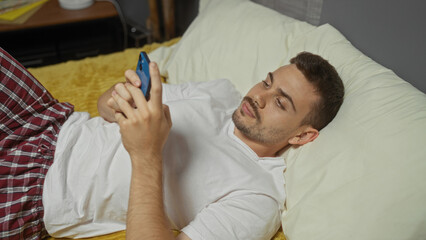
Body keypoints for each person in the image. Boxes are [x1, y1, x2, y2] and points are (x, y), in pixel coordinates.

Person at [0, 47, 344, 240]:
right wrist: (120, 98)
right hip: (47, 119)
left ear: (302, 135)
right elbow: (105, 107)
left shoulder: (258, 197)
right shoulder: (220, 92)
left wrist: (146, 153)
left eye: (281, 103)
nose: (259, 97)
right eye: (267, 82)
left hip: (35, 190)